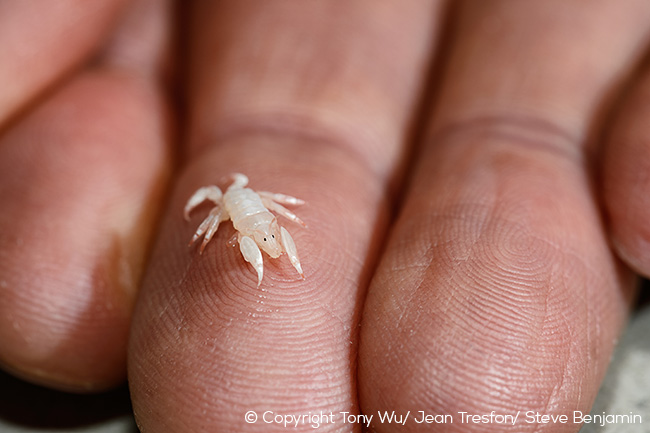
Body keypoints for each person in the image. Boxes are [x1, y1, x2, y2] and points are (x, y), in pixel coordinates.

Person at [0, 1, 648, 432]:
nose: (262, 238)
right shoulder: (230, 208)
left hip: (248, 197)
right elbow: (214, 219)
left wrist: (248, 214)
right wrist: (220, 218)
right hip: (238, 196)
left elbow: (267, 212)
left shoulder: (259, 212)